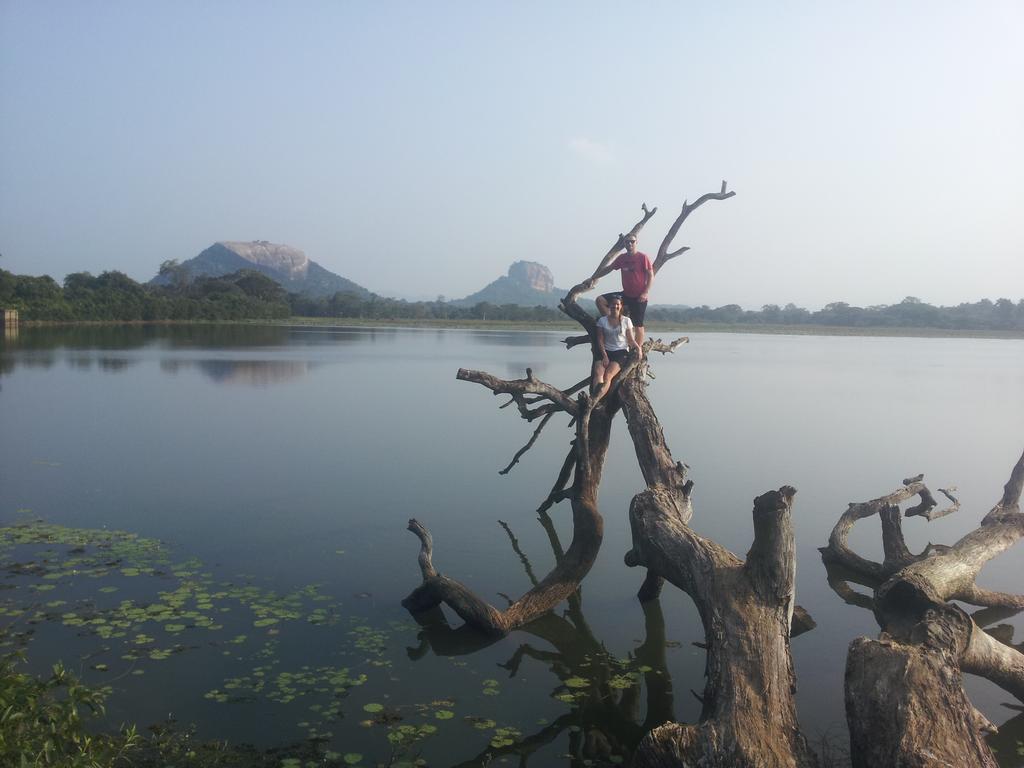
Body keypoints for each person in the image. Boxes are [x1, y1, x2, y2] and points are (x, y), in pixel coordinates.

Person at [585, 234, 654, 350]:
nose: (629, 244)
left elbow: (651, 276)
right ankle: (613, 322)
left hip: (639, 297)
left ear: (636, 242)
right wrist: (593, 278)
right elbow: (609, 269)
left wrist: (645, 292)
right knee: (600, 300)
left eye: (632, 241)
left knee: (638, 325)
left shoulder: (643, 257)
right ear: (625, 244)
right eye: (627, 242)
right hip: (625, 294)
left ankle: (636, 350)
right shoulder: (622, 258)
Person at [591, 295, 641, 404]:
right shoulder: (602, 321)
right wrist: (604, 356)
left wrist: (639, 349)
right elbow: (600, 340)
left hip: (620, 352)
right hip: (605, 350)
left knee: (608, 375)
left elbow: (631, 340)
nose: (615, 306)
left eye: (617, 304)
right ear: (609, 306)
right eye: (613, 304)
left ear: (621, 306)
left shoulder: (626, 321)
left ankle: (596, 400)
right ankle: (595, 398)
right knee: (598, 373)